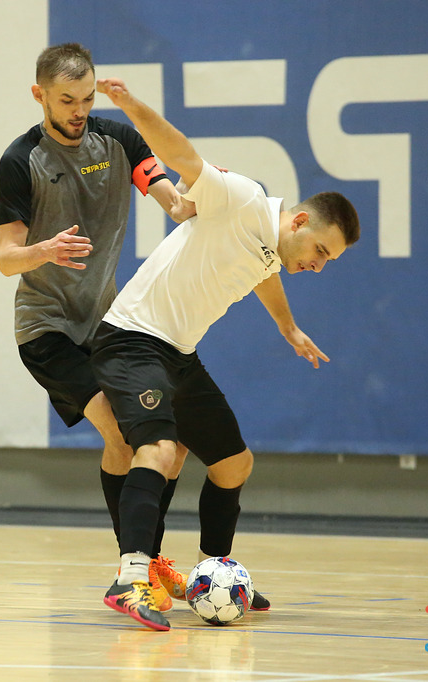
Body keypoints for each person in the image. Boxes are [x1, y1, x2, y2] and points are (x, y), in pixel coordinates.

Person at [91, 77, 361, 631]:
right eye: (320, 251)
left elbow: (264, 273)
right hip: (133, 338)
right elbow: (182, 155)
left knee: (234, 463)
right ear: (300, 221)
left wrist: (288, 327)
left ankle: (213, 574)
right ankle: (131, 577)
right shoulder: (241, 198)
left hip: (177, 353)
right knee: (160, 450)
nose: (318, 264)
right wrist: (132, 106)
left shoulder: (270, 247)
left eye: (328, 261)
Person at [0, 44, 194, 608]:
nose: (79, 110)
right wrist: (44, 250)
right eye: (66, 100)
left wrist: (203, 198)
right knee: (123, 434)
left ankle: (146, 561)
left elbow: (174, 202)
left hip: (106, 324)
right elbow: (6, 258)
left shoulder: (119, 141)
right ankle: (134, 573)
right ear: (39, 95)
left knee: (169, 443)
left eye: (86, 98)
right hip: (46, 329)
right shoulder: (20, 160)